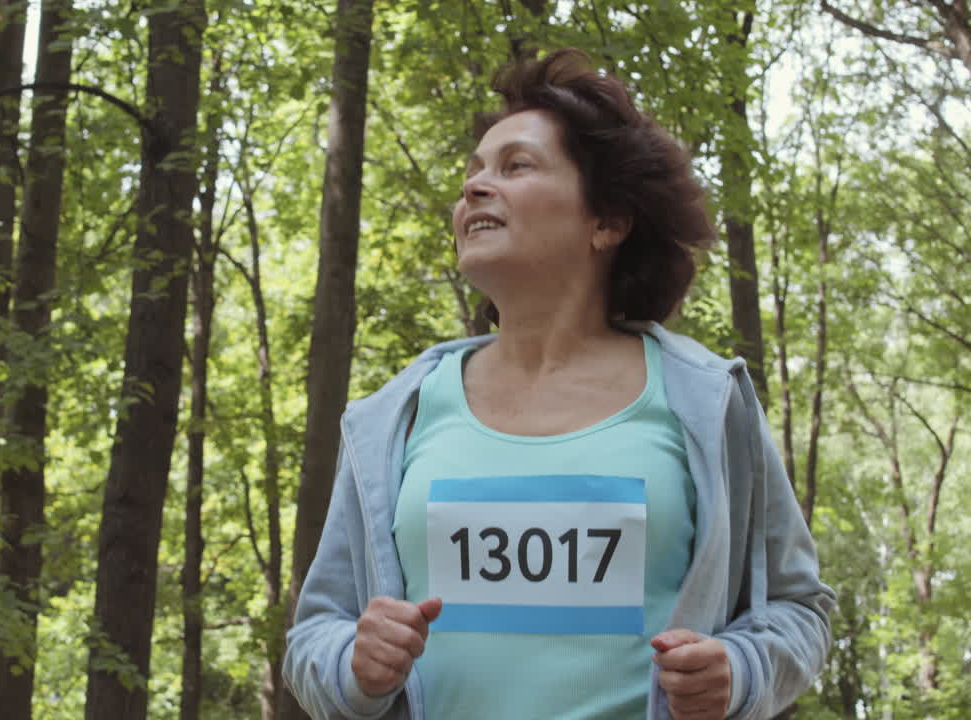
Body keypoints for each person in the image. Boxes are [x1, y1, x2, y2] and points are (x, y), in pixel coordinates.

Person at [282, 48, 835, 720]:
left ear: (608, 221)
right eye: (474, 172)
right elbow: (315, 633)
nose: (475, 188)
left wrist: (740, 672)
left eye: (516, 166)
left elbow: (798, 607)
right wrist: (352, 665)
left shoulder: (706, 401)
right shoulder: (393, 416)